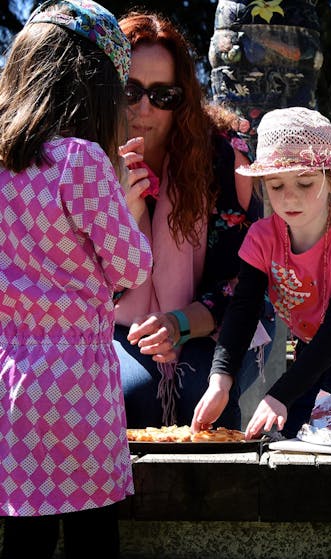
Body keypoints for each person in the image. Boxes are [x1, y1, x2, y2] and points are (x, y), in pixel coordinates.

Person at [0, 2, 152, 558]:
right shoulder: (81, 162)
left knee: (24, 533)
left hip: (11, 377)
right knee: (93, 532)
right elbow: (131, 268)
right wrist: (128, 209)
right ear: (97, 87)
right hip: (78, 386)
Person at [191, 107, 331, 439]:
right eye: (276, 186)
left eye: (304, 182)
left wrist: (278, 395)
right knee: (291, 441)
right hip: (312, 354)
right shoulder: (262, 238)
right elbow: (243, 309)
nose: (289, 196)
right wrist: (220, 379)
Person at [114, 11, 275, 430]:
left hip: (206, 326)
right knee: (128, 392)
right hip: (109, 324)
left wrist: (177, 323)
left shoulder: (222, 160)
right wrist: (127, 219)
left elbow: (241, 285)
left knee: (197, 394)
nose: (143, 108)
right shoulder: (83, 160)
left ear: (182, 99)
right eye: (130, 91)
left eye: (162, 95)